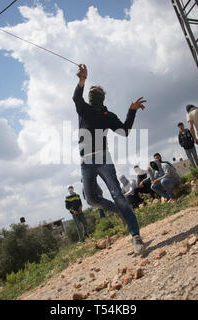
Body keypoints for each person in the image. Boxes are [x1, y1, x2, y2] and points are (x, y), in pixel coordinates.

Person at [73, 64, 147, 255]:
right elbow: (76, 97)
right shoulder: (84, 110)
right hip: (86, 161)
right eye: (91, 90)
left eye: (95, 90)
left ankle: (136, 236)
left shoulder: (107, 115)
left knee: (117, 193)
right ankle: (119, 211)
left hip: (103, 158)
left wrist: (132, 111)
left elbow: (124, 131)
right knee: (90, 199)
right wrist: (82, 81)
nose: (92, 91)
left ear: (101, 96)